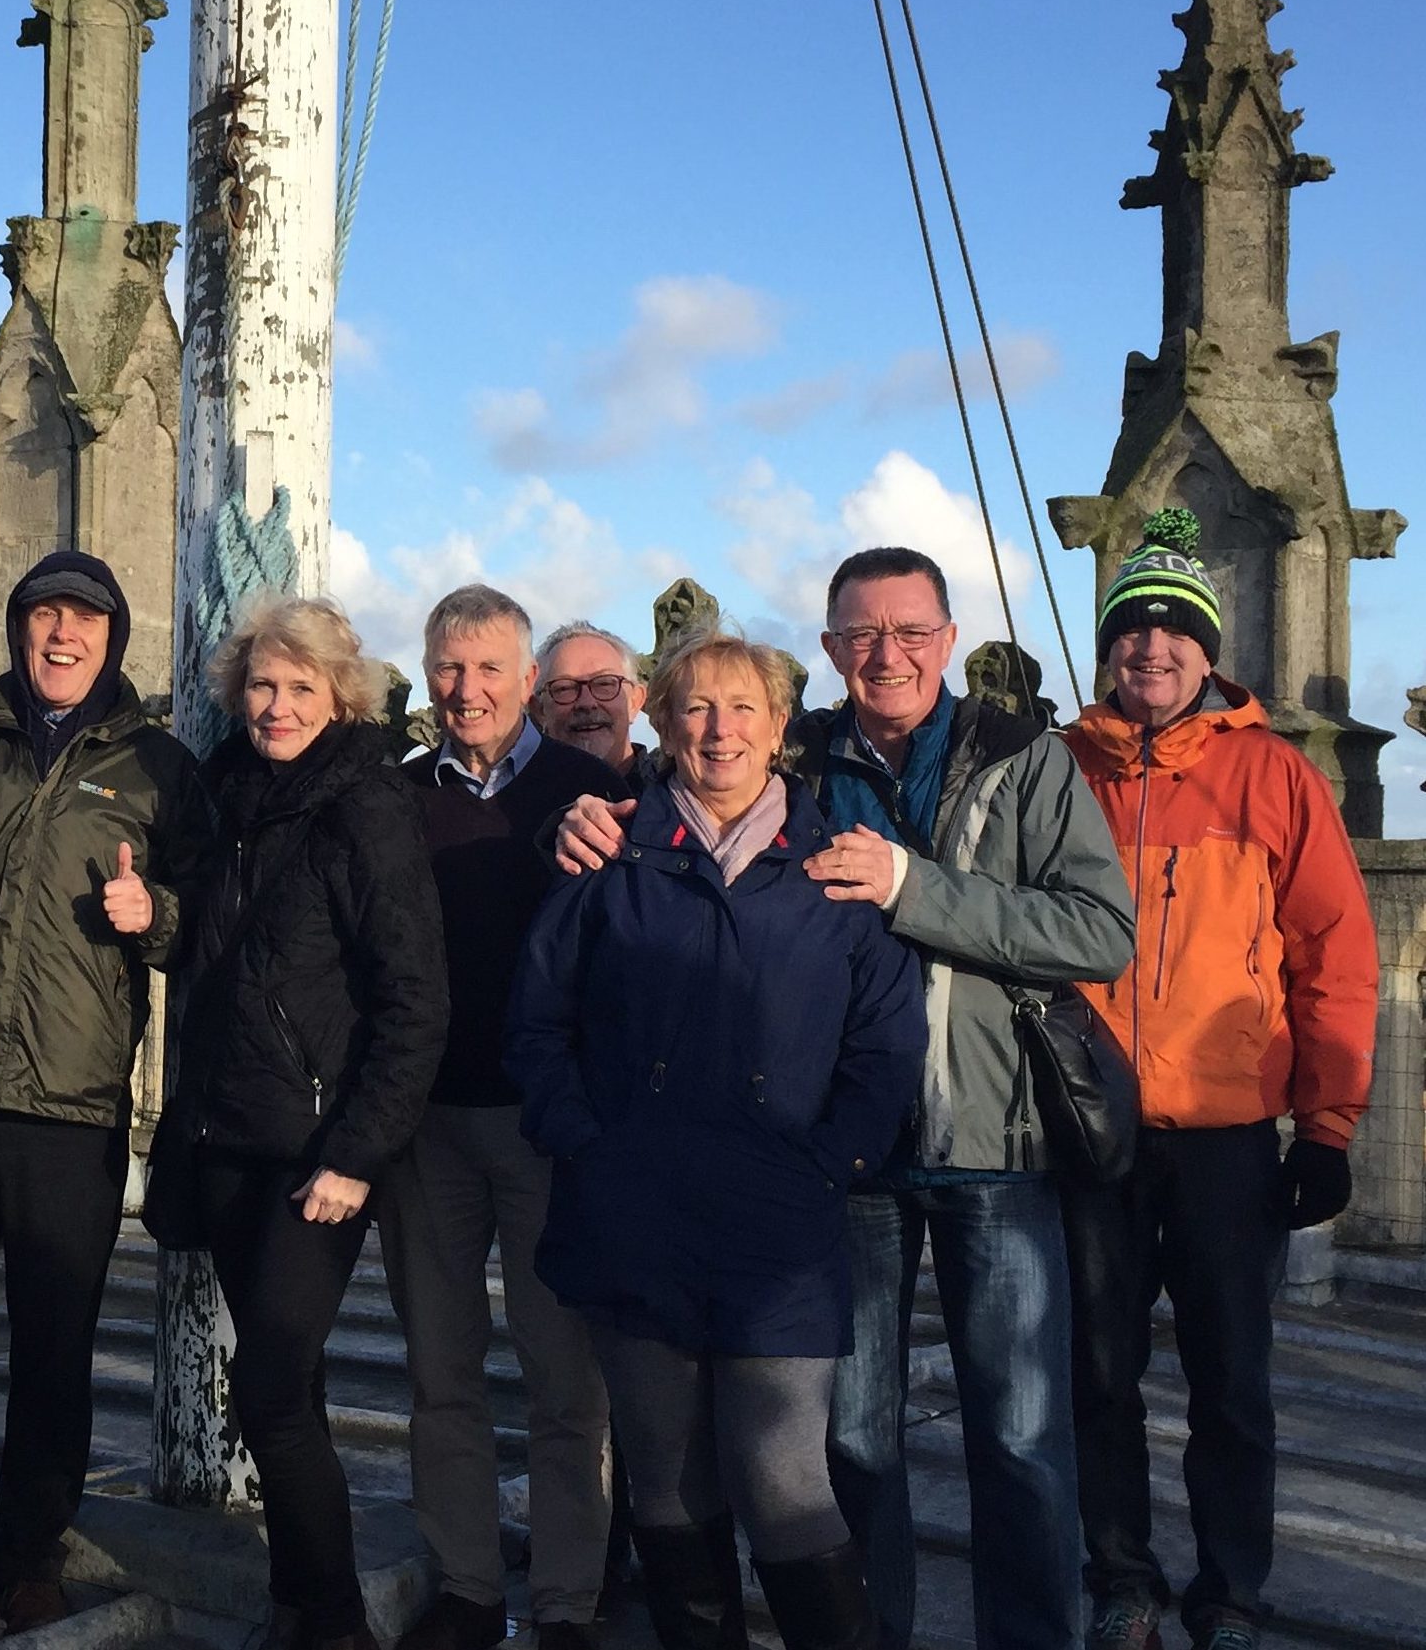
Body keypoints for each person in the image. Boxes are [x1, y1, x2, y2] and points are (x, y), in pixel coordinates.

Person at [553, 549, 1137, 1650]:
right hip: (844, 1155)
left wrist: (917, 889)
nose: (888, 655)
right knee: (853, 1437)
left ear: (949, 637)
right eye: (862, 635)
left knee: (1017, 1433)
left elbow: (1099, 930)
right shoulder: (800, 751)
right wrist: (574, 824)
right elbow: (676, 804)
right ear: (827, 652)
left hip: (991, 1133)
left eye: (911, 631)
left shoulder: (1024, 757)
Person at [512, 630, 924, 1650]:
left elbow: (884, 1044)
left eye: (744, 707)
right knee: (667, 1478)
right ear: (660, 720)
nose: (720, 728)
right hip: (634, 1210)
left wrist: (834, 1160)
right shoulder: (612, 855)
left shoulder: (831, 875)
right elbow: (537, 1019)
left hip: (779, 1220)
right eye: (696, 706)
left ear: (781, 728)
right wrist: (582, 1141)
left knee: (783, 1476)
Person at [0, 549, 213, 1631]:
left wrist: (153, 911)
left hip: (71, 1105)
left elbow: (203, 915)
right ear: (15, 628)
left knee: (55, 1352)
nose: (63, 634)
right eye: (44, 614)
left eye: (85, 619)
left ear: (113, 637)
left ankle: (28, 1553)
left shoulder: (157, 765)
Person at [1061, 510, 1378, 1650]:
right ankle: (1121, 1575)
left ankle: (1231, 1586)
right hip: (1090, 1134)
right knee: (1096, 1373)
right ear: (1107, 644)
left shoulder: (1275, 773)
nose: (1152, 643)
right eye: (1133, 624)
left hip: (1226, 1138)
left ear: (1210, 648)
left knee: (1230, 1381)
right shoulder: (1060, 766)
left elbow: (1335, 952)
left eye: (1175, 626)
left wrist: (1328, 1125)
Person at [166, 594, 448, 1650]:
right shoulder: (225, 789)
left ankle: (332, 1620)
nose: (274, 706)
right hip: (229, 1131)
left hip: (315, 1150)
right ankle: (298, 1597)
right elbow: (212, 955)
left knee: (270, 1380)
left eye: (297, 687)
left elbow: (413, 996)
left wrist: (356, 1152)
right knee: (295, 1387)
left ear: (340, 695)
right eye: (260, 687)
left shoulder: (366, 802)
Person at [386, 587, 625, 1650]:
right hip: (429, 1119)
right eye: (448, 667)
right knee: (442, 1371)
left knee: (564, 1377)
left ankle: (569, 1597)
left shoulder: (592, 790)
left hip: (545, 1122)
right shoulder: (397, 797)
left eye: (489, 668)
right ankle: (471, 1585)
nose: (466, 689)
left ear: (529, 681)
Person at [531, 622, 653, 789]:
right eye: (565, 688)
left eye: (604, 684)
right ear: (539, 711)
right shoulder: (512, 807)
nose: (587, 703)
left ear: (635, 701)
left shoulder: (680, 799)